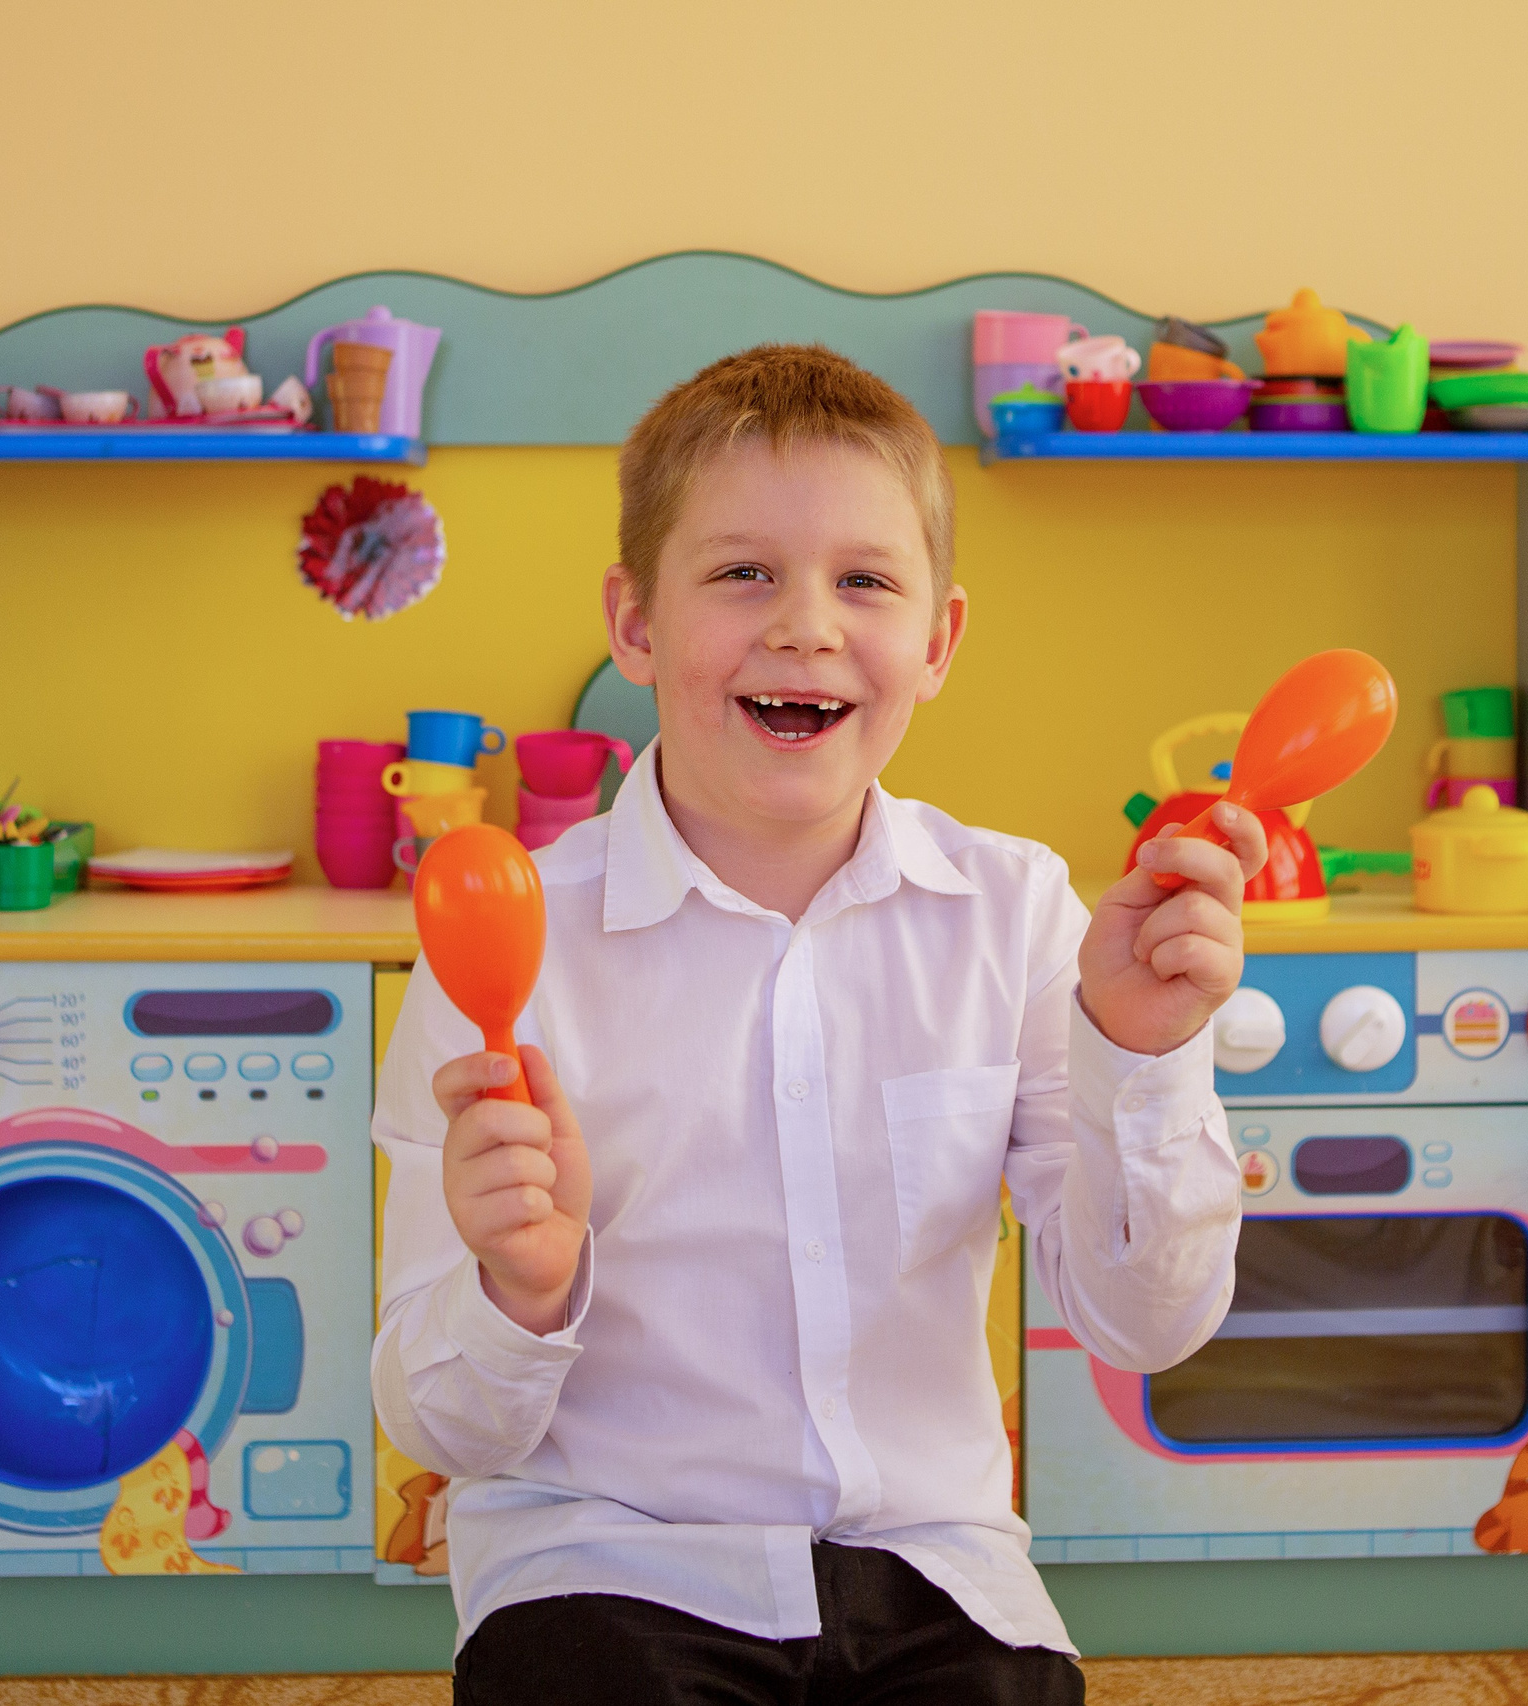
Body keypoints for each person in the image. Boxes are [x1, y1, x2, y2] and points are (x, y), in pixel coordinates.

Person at [372, 344, 1264, 1704]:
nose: (805, 627)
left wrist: (1144, 1058)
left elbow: (1146, 1327)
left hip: (933, 1564)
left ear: (938, 641)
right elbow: (439, 1423)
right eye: (743, 572)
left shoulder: (1018, 911)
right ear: (635, 623)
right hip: (606, 1558)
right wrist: (519, 1287)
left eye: (864, 581)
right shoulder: (503, 942)